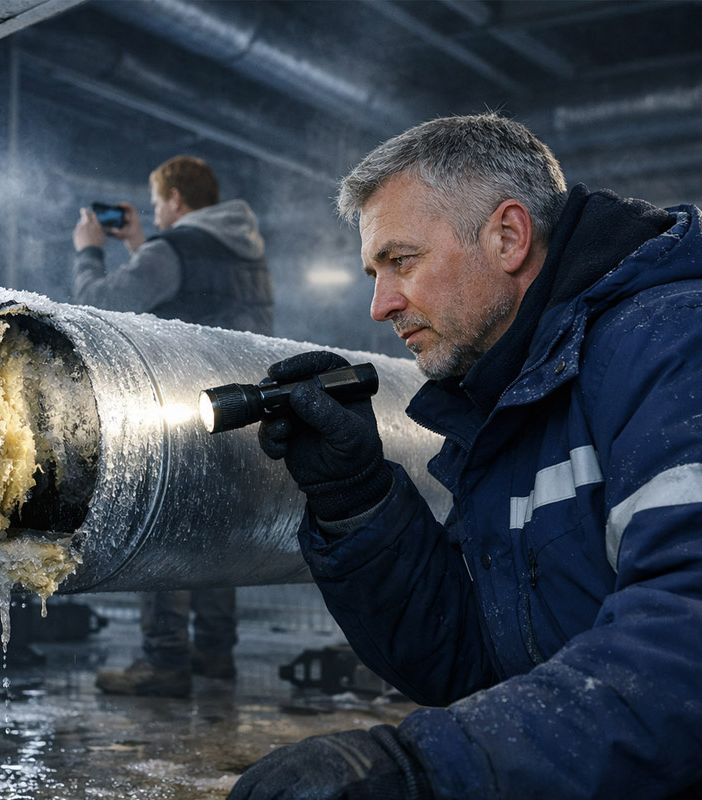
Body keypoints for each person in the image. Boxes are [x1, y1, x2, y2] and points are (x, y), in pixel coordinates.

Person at [229, 113, 702, 799]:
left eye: (401, 260)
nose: (379, 304)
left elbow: (687, 644)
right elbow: (475, 664)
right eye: (373, 271)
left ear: (508, 236)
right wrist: (356, 499)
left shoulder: (671, 345)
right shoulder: (510, 395)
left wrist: (429, 771)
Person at [72, 155, 274, 698]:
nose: (156, 212)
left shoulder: (173, 250)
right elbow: (192, 303)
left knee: (166, 529)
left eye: (159, 202)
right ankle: (214, 652)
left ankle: (163, 661)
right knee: (219, 536)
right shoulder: (249, 254)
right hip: (242, 414)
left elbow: (98, 304)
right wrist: (144, 244)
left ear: (177, 200)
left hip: (185, 412)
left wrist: (91, 249)